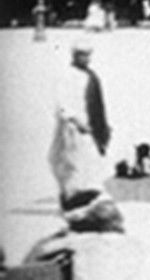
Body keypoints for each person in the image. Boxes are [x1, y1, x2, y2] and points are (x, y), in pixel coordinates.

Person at [49, 38, 112, 213]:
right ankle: (70, 198)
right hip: (72, 126)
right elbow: (62, 102)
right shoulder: (67, 75)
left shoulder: (91, 76)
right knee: (71, 163)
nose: (86, 59)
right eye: (82, 55)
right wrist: (75, 120)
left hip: (89, 126)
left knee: (89, 163)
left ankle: (84, 198)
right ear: (75, 55)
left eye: (88, 55)